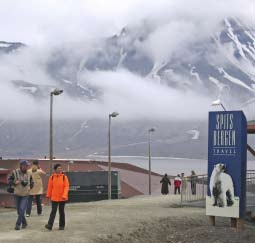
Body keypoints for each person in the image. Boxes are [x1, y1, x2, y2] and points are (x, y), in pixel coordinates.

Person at [8, 160, 34, 230]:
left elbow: (32, 182)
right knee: (19, 211)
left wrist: (29, 188)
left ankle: (18, 224)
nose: (27, 167)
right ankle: (24, 223)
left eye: (27, 165)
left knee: (22, 209)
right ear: (21, 166)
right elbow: (9, 180)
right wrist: (14, 183)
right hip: (17, 194)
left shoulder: (29, 173)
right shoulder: (15, 172)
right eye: (25, 165)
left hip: (25, 194)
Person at [45, 164, 69, 230]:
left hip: (62, 198)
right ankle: (49, 225)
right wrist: (48, 195)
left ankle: (62, 226)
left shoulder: (64, 177)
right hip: (54, 197)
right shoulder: (52, 177)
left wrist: (64, 195)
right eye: (58, 168)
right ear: (55, 169)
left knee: (61, 212)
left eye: (61, 168)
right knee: (53, 211)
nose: (60, 169)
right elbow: (50, 187)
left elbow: (66, 187)